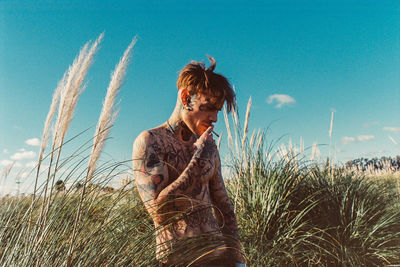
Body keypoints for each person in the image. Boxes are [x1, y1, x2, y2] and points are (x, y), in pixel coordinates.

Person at [132, 56, 245, 266]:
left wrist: (238, 261)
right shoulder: (151, 142)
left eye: (217, 110)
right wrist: (199, 159)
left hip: (220, 259)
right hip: (178, 262)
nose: (214, 118)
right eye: (208, 106)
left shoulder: (209, 147)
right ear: (185, 98)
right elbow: (160, 214)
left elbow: (224, 208)